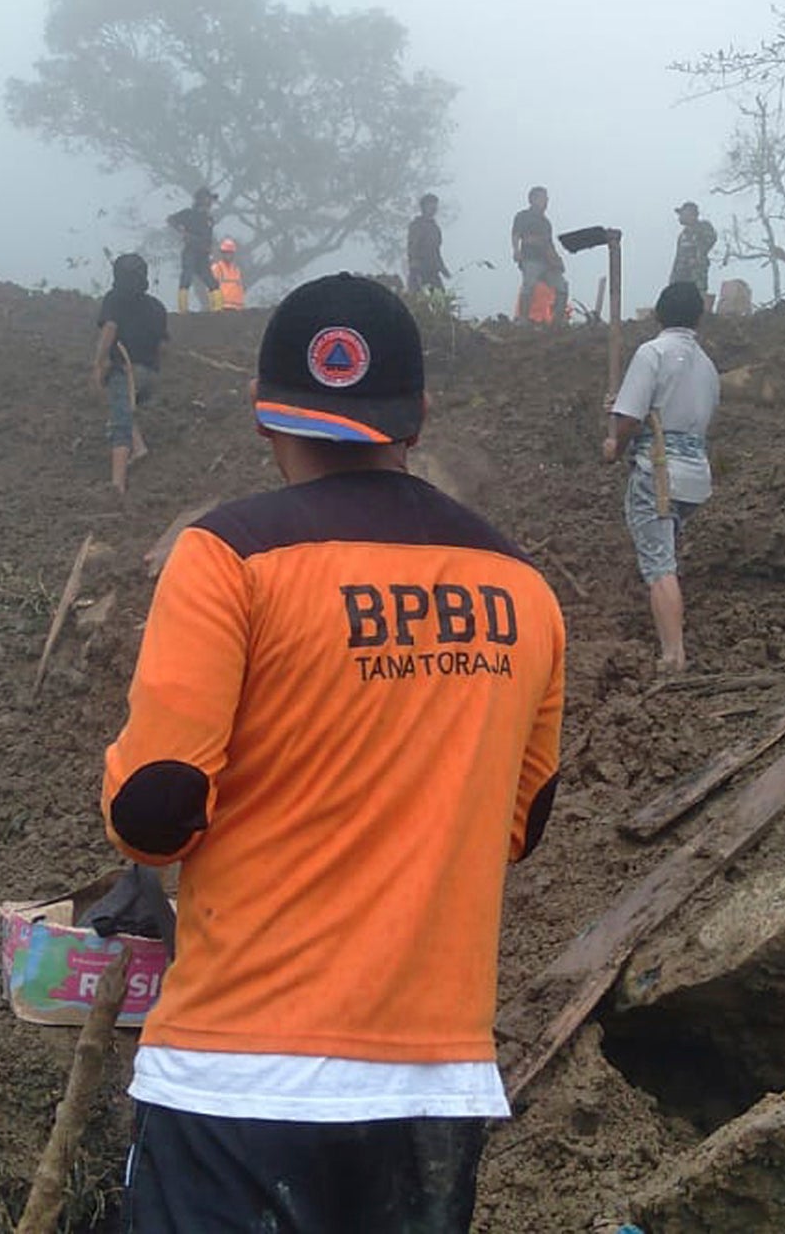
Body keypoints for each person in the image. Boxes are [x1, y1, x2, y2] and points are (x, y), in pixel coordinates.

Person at [101, 272, 565, 1233]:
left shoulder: (225, 557)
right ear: (419, 417)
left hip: (237, 1077)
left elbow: (155, 812)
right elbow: (523, 825)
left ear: (264, 416)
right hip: (434, 1089)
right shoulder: (525, 589)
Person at [603, 281, 721, 671]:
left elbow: (632, 418)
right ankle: (670, 637)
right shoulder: (706, 365)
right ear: (698, 318)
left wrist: (613, 446)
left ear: (657, 314)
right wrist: (619, 405)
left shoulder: (652, 353)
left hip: (658, 473)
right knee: (664, 553)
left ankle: (673, 655)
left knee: (659, 566)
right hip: (695, 475)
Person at [90, 253, 168, 497]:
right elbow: (163, 344)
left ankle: (117, 486)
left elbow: (110, 329)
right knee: (123, 406)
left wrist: (98, 363)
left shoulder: (114, 299)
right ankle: (140, 447)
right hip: (150, 375)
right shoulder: (156, 306)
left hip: (126, 369)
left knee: (119, 423)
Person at [511, 186, 568, 325]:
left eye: (546, 198)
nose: (546, 201)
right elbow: (516, 235)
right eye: (543, 198)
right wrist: (516, 250)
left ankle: (556, 322)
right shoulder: (522, 216)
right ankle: (523, 320)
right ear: (533, 199)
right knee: (528, 286)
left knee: (562, 286)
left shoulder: (546, 223)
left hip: (547, 261)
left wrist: (556, 260)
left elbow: (549, 243)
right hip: (530, 258)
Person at [166, 187, 217, 313]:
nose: (210, 202)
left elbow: (208, 237)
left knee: (210, 279)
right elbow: (171, 219)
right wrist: (181, 230)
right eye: (207, 199)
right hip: (191, 251)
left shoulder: (209, 219)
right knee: (187, 276)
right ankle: (183, 309)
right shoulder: (188, 214)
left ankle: (217, 308)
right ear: (200, 200)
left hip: (203, 253)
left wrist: (210, 248)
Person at [670, 201, 719, 302]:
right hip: (681, 274)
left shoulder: (703, 227)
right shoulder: (683, 235)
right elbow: (678, 256)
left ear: (691, 215)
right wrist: (673, 277)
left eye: (682, 214)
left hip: (696, 272)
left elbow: (710, 240)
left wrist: (697, 257)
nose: (680, 217)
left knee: (697, 297)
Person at [406, 193, 450, 295]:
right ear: (424, 207)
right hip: (419, 269)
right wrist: (414, 264)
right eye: (430, 204)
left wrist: (442, 268)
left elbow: (436, 250)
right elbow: (412, 246)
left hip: (433, 270)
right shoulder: (417, 225)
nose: (434, 207)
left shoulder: (435, 228)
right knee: (416, 301)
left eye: (435, 204)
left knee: (440, 300)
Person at [210, 238, 246, 311]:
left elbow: (240, 288)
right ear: (222, 253)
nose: (228, 255)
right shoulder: (217, 268)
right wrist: (214, 307)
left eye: (230, 253)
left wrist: (242, 307)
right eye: (226, 253)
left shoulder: (236, 269)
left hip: (237, 308)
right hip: (222, 308)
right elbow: (211, 290)